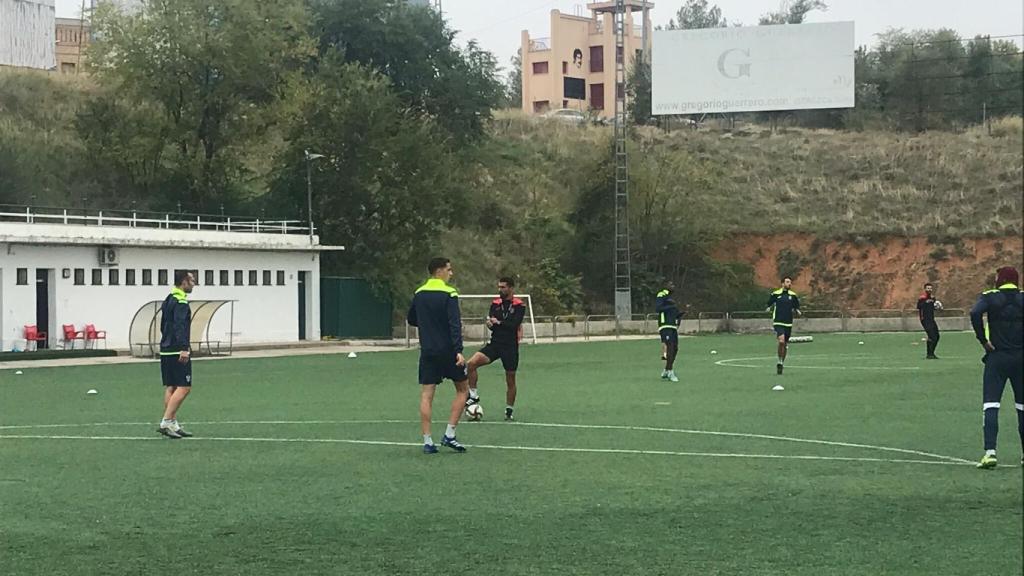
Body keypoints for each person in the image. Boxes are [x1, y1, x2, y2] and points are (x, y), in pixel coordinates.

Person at [407, 257, 469, 454]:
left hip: (428, 350)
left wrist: (428, 326)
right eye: (449, 270)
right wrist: (459, 350)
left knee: (427, 395)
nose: (451, 273)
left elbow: (411, 318)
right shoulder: (449, 293)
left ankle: (427, 441)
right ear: (439, 271)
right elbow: (454, 324)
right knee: (463, 390)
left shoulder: (419, 293)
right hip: (448, 351)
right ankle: (449, 434)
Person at [969, 266, 1023, 469]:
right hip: (1020, 357)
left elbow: (975, 313)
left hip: (997, 357)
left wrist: (983, 340)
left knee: (991, 405)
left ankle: (990, 453)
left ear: (1000, 279)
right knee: (1022, 407)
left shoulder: (990, 297)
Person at [465, 276, 526, 421]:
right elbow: (493, 322)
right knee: (471, 364)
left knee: (510, 379)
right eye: (499, 287)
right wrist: (490, 324)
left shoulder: (519, 305)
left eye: (503, 287)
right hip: (495, 344)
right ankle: (473, 395)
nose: (500, 290)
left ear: (511, 288)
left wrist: (498, 322)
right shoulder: (495, 303)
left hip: (510, 347)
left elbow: (514, 325)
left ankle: (509, 411)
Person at [157, 270, 196, 439]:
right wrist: (183, 347)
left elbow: (162, 324)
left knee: (171, 386)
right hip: (176, 349)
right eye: (192, 280)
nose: (194, 283)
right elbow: (181, 326)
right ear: (184, 282)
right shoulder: (180, 301)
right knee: (185, 387)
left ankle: (172, 423)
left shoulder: (168, 299)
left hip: (166, 347)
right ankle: (166, 421)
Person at [766, 277, 801, 378]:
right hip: (778, 321)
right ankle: (779, 360)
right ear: (782, 283)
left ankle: (781, 362)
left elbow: (796, 307)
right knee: (781, 341)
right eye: (787, 282)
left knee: (785, 343)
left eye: (790, 282)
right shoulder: (776, 294)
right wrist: (768, 307)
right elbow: (769, 303)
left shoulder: (793, 296)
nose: (789, 284)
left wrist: (798, 311)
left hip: (788, 323)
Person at [656, 282, 684, 382]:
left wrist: (681, 314)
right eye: (670, 284)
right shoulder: (662, 294)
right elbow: (658, 308)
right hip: (665, 325)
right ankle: (670, 371)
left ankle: (667, 369)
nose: (673, 286)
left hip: (672, 326)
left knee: (675, 348)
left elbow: (675, 314)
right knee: (670, 347)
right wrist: (671, 307)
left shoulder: (671, 300)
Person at [917, 282, 942, 359]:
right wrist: (927, 303)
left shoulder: (933, 298)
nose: (929, 289)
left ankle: (932, 353)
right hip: (925, 320)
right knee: (931, 336)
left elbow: (933, 307)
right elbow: (919, 307)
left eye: (930, 288)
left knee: (937, 336)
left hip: (931, 319)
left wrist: (938, 307)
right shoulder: (922, 298)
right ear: (925, 289)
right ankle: (929, 354)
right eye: (928, 288)